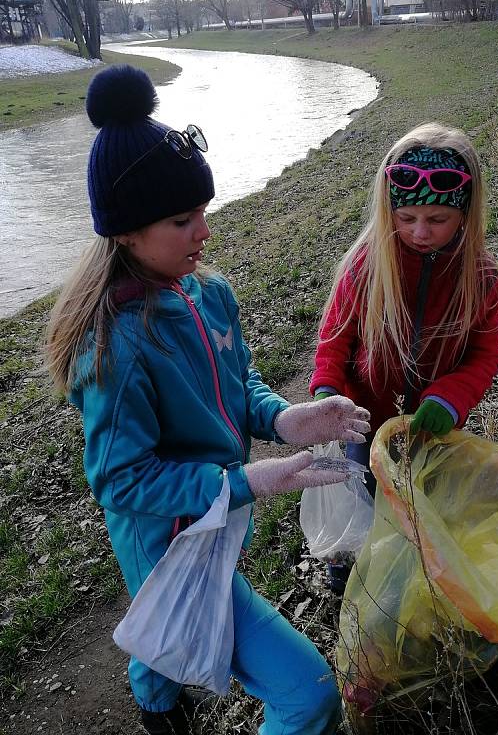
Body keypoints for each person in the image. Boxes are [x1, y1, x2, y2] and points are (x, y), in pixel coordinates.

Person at [46, 64, 370, 735]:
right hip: (167, 543)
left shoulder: (209, 295)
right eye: (181, 219)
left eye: (203, 213)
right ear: (128, 230)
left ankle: (157, 704)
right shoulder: (115, 348)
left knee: (162, 628)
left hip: (216, 518)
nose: (204, 232)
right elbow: (121, 478)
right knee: (307, 694)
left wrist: (286, 417)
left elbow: (239, 385)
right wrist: (245, 480)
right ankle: (160, 702)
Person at [309, 122, 498, 592]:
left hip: (431, 423)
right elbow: (334, 340)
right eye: (407, 217)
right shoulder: (365, 267)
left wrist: (450, 399)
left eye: (437, 219)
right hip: (358, 418)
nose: (420, 232)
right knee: (357, 494)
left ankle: (416, 577)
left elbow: (485, 354)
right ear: (388, 209)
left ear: (465, 213)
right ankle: (349, 574)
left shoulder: (481, 279)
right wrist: (327, 392)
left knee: (420, 506)